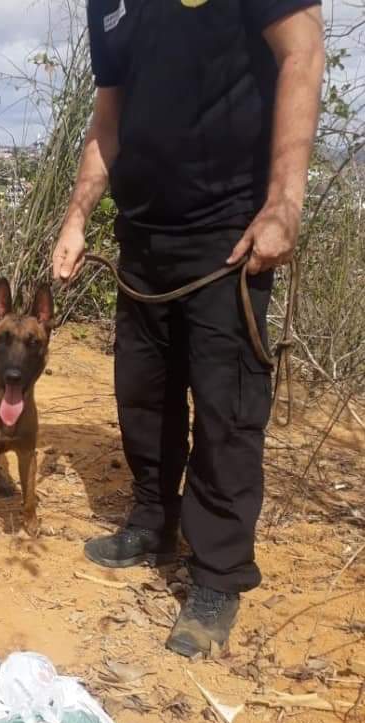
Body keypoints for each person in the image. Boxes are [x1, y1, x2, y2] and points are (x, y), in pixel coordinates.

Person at [53, 0, 324, 657]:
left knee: (227, 409)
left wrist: (284, 202)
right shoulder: (108, 4)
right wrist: (76, 216)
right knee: (142, 394)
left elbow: (303, 51)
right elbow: (108, 116)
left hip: (227, 234)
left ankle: (218, 577)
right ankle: (153, 521)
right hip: (144, 234)